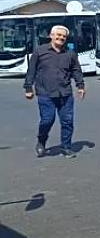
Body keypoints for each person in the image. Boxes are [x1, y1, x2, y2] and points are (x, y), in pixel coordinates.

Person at [23, 25, 86, 158]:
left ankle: (66, 147)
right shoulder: (40, 51)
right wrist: (28, 88)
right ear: (51, 36)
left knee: (67, 121)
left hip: (65, 93)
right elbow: (31, 71)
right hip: (45, 93)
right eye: (58, 35)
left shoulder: (70, 54)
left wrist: (80, 86)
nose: (61, 38)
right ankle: (41, 141)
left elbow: (76, 70)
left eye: (64, 36)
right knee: (47, 120)